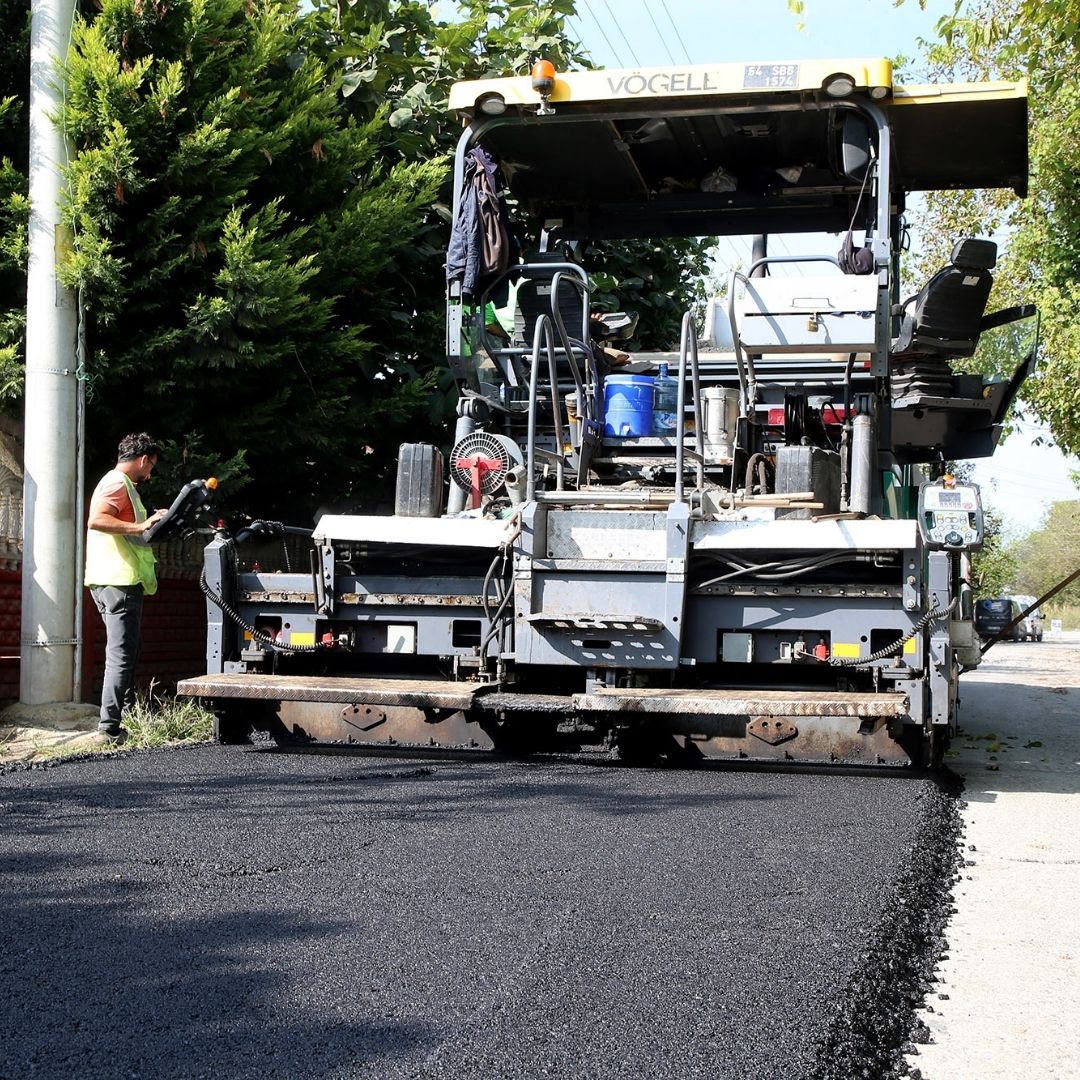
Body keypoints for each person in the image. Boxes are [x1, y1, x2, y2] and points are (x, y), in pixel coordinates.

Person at [84, 433, 168, 744]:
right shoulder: (117, 483)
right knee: (120, 655)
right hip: (118, 581)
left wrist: (153, 522)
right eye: (151, 467)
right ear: (144, 459)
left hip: (113, 580)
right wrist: (140, 526)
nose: (150, 474)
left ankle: (118, 720)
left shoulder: (122, 485)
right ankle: (108, 729)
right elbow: (96, 520)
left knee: (126, 650)